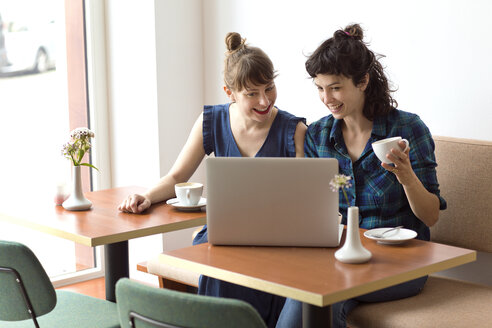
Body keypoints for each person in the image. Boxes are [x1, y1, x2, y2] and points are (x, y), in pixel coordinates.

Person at [119, 32, 307, 328]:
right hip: (225, 233)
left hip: (278, 239)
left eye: (269, 88)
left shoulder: (293, 129)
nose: (264, 100)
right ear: (229, 92)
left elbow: (306, 196)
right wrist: (147, 195)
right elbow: (177, 176)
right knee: (219, 266)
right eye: (252, 93)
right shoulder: (211, 120)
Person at [276, 24, 447, 328]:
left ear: (363, 81)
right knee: (301, 298)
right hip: (340, 259)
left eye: (336, 87)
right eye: (319, 88)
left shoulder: (407, 130)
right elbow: (315, 212)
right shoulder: (318, 135)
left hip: (402, 264)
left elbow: (431, 216)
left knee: (322, 295)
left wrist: (406, 176)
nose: (326, 98)